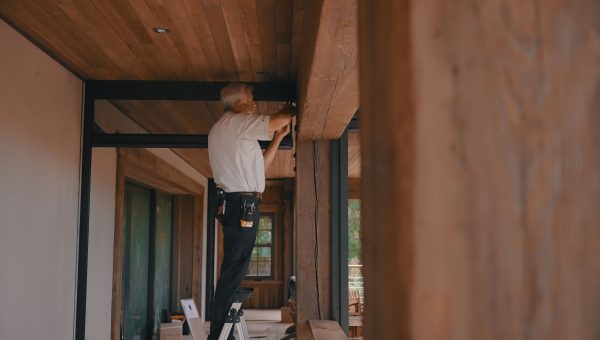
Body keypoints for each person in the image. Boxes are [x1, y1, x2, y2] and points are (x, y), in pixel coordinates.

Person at [207, 83, 294, 340]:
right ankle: (219, 334)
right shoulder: (236, 122)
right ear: (237, 104)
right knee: (234, 267)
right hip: (240, 204)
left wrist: (278, 138)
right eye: (250, 99)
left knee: (235, 266)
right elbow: (275, 120)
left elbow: (260, 169)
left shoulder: (230, 129)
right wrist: (290, 108)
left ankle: (223, 330)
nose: (254, 104)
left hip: (238, 203)